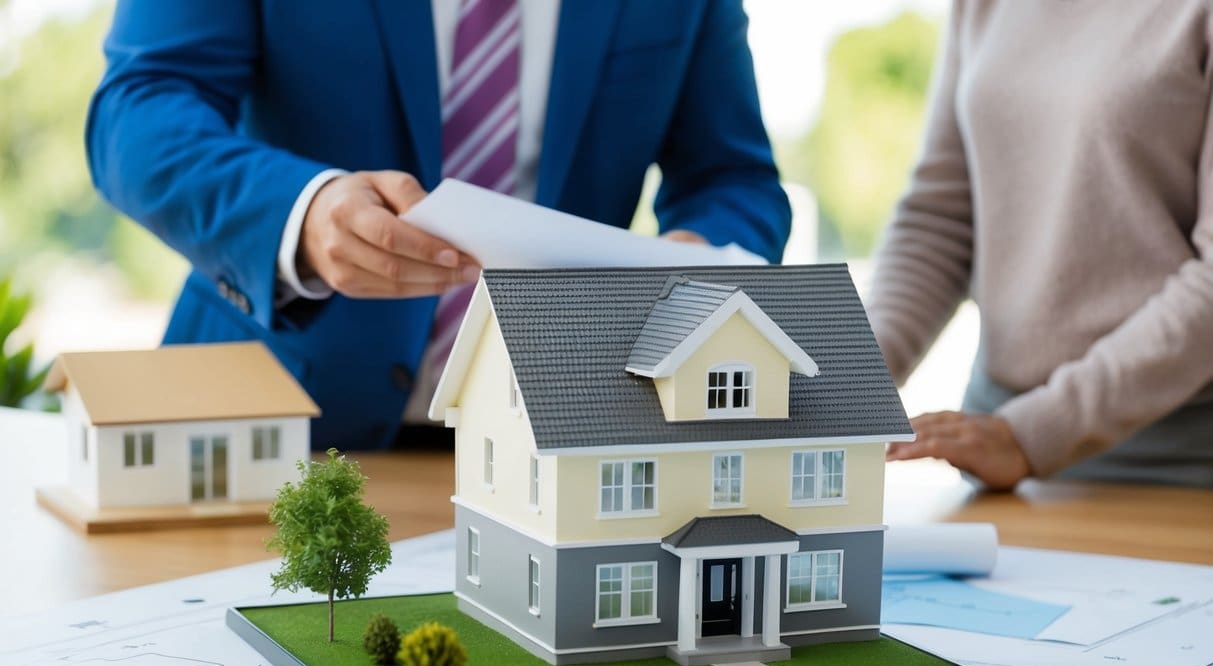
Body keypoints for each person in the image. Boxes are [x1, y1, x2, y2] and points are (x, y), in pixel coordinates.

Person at [86, 0, 791, 450]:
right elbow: (137, 115)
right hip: (266, 426)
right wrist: (301, 211)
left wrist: (693, 263)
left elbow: (731, 178)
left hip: (558, 435)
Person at [866, 0, 1213, 490]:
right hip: (992, 457)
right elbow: (938, 220)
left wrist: (1035, 432)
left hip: (1165, 467)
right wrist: (850, 384)